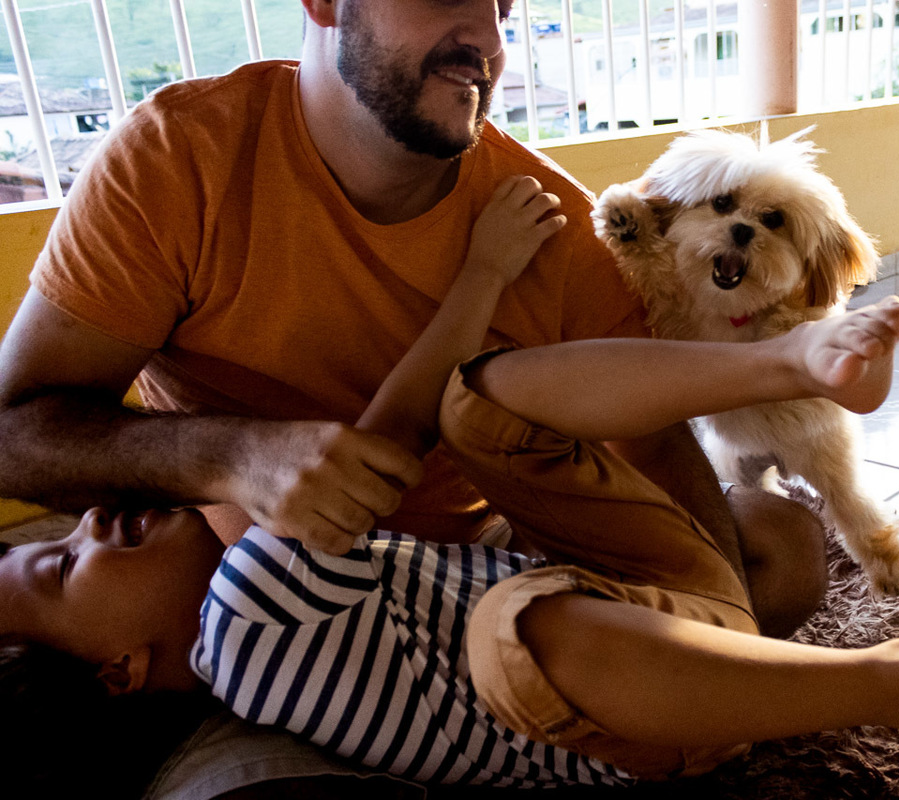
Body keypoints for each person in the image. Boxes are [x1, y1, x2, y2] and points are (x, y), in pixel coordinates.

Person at [0, 181, 899, 792]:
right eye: (60, 561)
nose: (90, 517)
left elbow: (416, 421)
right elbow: (388, 421)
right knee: (510, 620)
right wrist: (486, 272)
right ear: (121, 670)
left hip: (644, 589)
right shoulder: (243, 618)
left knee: (481, 406)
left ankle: (788, 359)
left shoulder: (255, 597)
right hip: (641, 718)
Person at [0, 0, 822, 645]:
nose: (487, 39)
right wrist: (229, 455)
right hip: (243, 577)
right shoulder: (181, 161)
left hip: (487, 558)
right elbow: (15, 433)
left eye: (502, 4)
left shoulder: (547, 219)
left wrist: (723, 621)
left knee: (779, 553)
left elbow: (650, 444)